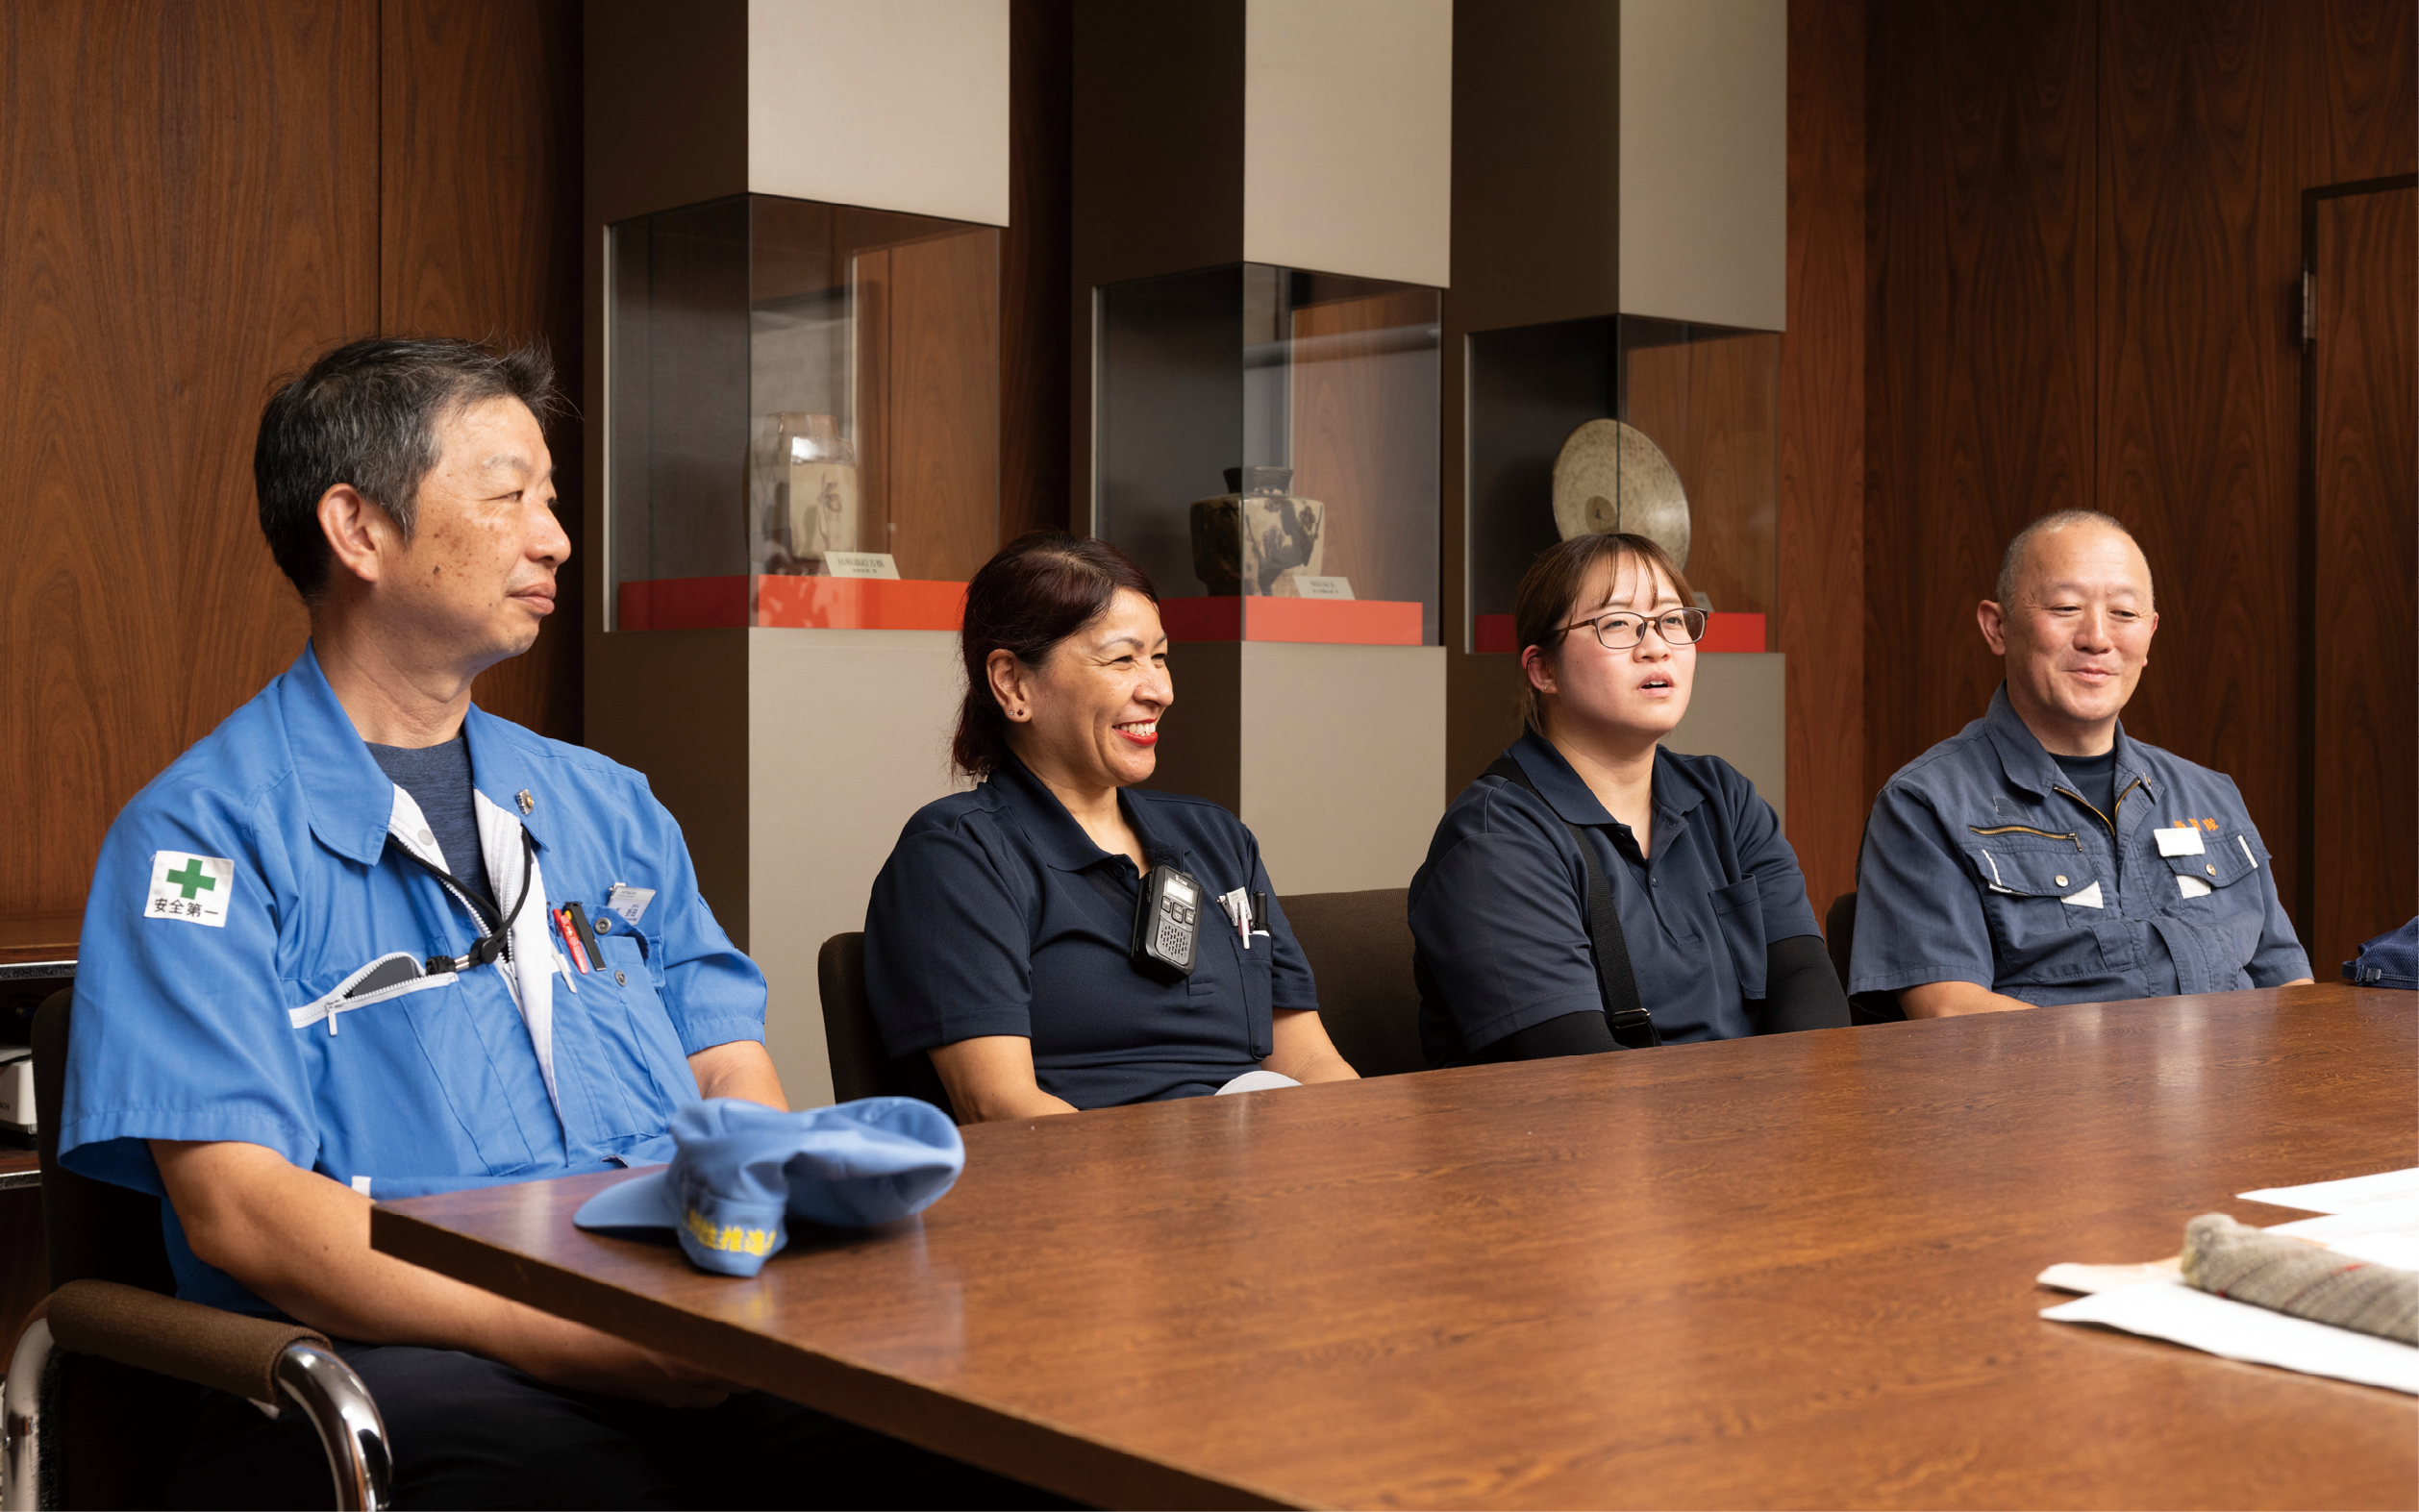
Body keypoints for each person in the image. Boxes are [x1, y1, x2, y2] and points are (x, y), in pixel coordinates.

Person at [57, 337, 1051, 1509]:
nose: (555, 538)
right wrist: (574, 1337)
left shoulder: (605, 805)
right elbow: (243, 1213)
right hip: (383, 1362)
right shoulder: (199, 839)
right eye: (509, 496)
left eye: (552, 498)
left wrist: (758, 1263)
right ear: (357, 528)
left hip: (663, 1307)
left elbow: (723, 1059)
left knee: (988, 1431)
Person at [863, 533, 1359, 1120]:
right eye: (1123, 659)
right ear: (1013, 684)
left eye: (1160, 657)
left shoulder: (1218, 839)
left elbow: (1311, 1063)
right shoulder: (957, 855)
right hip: (1092, 1168)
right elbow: (1001, 1106)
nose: (1160, 691)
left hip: (1270, 1151)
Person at [1848, 508, 2312, 1015]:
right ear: (1997, 627)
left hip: (2241, 1065)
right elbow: (1951, 1011)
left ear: (2150, 635)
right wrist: (2142, 1058)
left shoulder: (2210, 795)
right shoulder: (1925, 805)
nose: (2097, 637)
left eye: (2124, 614)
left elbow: (2289, 990)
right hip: (2047, 1071)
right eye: (2066, 607)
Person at [1409, 532, 1847, 1065]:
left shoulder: (1724, 797)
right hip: (1589, 1116)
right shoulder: (1493, 840)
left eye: (1672, 620)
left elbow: (1806, 979)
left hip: (1759, 1107)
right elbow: (1578, 1073)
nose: (1657, 646)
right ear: (1543, 670)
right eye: (1618, 623)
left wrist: (1793, 1099)